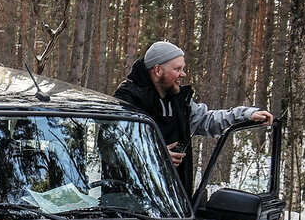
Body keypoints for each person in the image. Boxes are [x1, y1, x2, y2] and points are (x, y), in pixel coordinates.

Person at [115, 40, 273, 192]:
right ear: (158, 70)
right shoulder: (128, 100)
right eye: (177, 69)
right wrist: (154, 155)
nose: (183, 74)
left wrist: (245, 114)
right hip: (131, 207)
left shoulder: (180, 100)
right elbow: (114, 147)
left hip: (175, 203)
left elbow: (206, 121)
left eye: (182, 69)